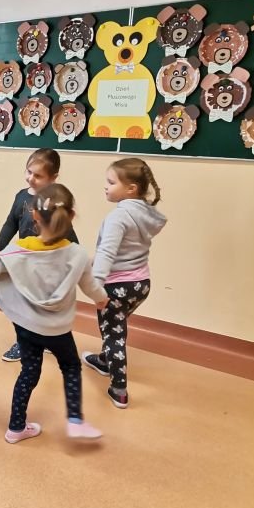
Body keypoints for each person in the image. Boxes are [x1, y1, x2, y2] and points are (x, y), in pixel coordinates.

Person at [0, 184, 107, 443]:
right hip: (58, 330)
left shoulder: (18, 251)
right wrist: (101, 300)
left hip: (26, 327)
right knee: (70, 366)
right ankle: (76, 421)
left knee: (29, 372)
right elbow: (91, 287)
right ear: (71, 216)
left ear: (34, 215)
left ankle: (16, 427)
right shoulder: (78, 254)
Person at [82, 158, 167, 409]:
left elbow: (108, 252)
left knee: (113, 334)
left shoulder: (118, 217)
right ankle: (105, 361)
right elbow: (123, 251)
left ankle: (119, 390)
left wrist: (96, 287)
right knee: (116, 325)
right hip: (141, 285)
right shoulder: (145, 213)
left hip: (117, 286)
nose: (105, 186)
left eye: (111, 182)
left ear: (131, 188)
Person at [0, 148, 79, 363]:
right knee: (23, 304)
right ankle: (23, 343)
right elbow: (10, 223)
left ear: (53, 178)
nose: (31, 178)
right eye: (29, 171)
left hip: (50, 264)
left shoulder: (56, 202)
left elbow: (68, 232)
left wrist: (75, 257)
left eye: (38, 175)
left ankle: (49, 339)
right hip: (27, 261)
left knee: (46, 305)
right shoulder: (21, 196)